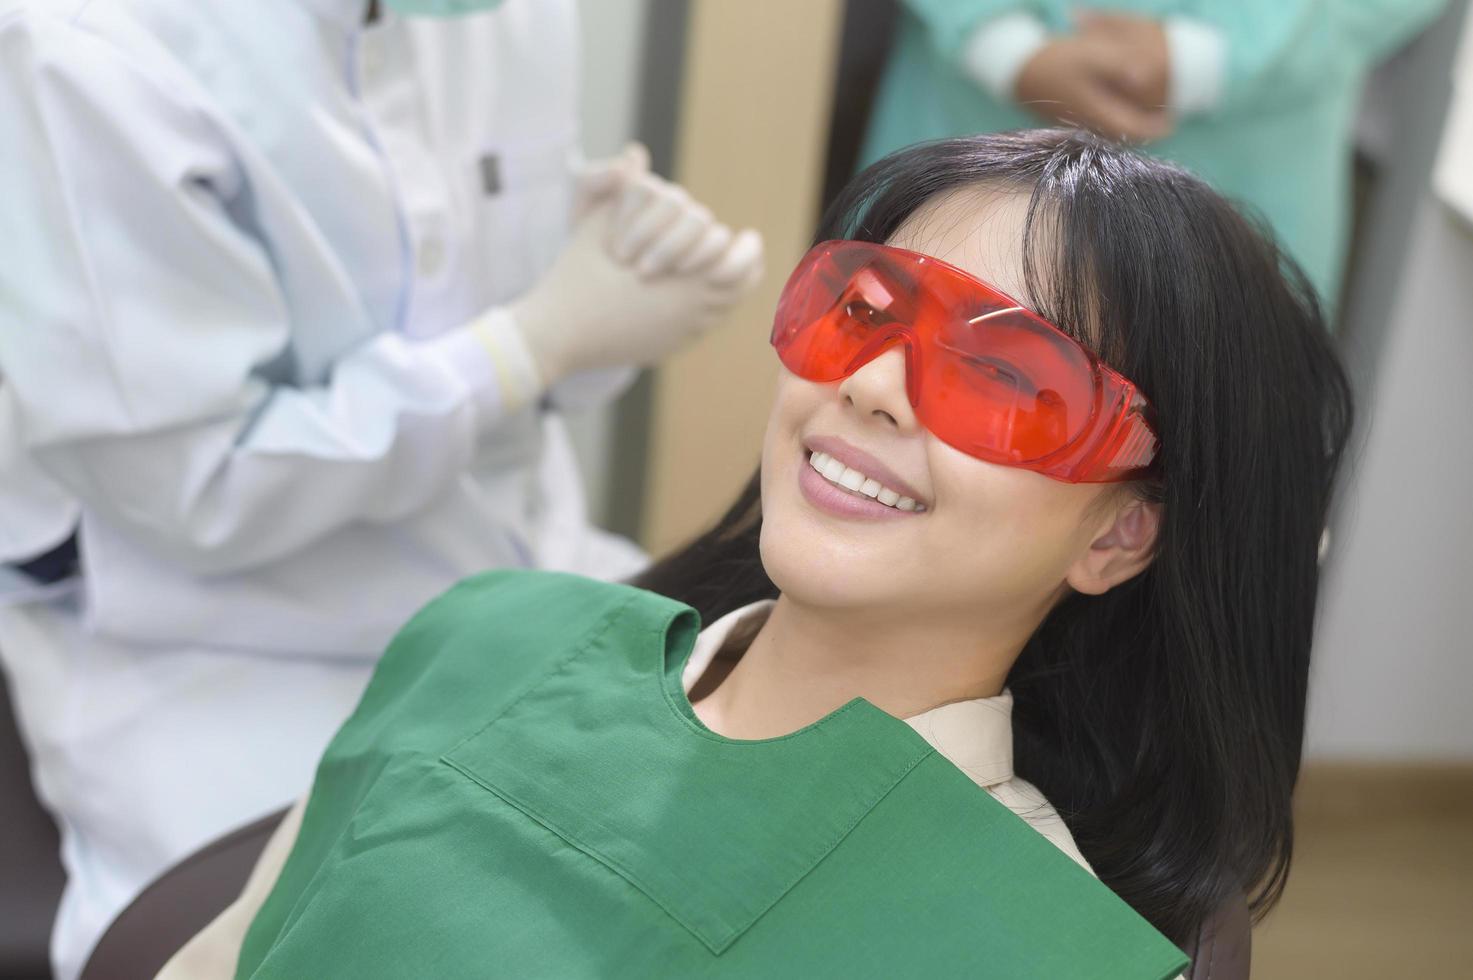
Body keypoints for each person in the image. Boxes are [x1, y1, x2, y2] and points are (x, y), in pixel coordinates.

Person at [157, 129, 1351, 978]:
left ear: (1121, 530)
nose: (878, 385)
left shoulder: (1044, 945)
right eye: (868, 308)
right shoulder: (483, 638)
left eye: (1005, 373)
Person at [0, 1, 761, 976]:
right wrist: (535, 339)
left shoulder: (510, 16)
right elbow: (195, 486)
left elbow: (513, 335)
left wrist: (614, 280)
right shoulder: (89, 47)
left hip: (518, 570)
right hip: (224, 641)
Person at [859, 0, 1447, 306]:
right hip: (968, 122)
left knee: (1189, 477)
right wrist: (997, 44)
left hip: (1249, 173)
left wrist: (1214, 59)